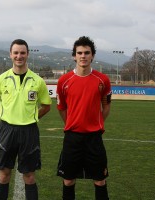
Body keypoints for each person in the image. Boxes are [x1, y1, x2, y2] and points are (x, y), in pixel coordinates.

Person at [0, 39, 52, 200]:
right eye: (16, 53)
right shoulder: (0, 80)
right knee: (4, 174)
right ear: (10, 55)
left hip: (29, 131)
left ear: (27, 54)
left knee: (29, 175)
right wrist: (4, 118)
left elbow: (46, 105)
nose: (19, 56)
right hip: (6, 130)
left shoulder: (38, 81)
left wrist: (33, 117)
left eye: (22, 53)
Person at [56, 36, 112, 200]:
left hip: (94, 137)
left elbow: (106, 106)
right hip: (72, 137)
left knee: (100, 180)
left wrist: (97, 122)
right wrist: (72, 123)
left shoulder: (103, 80)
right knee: (68, 180)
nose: (83, 56)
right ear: (74, 56)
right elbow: (61, 108)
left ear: (92, 55)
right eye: (79, 53)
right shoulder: (64, 81)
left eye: (87, 53)